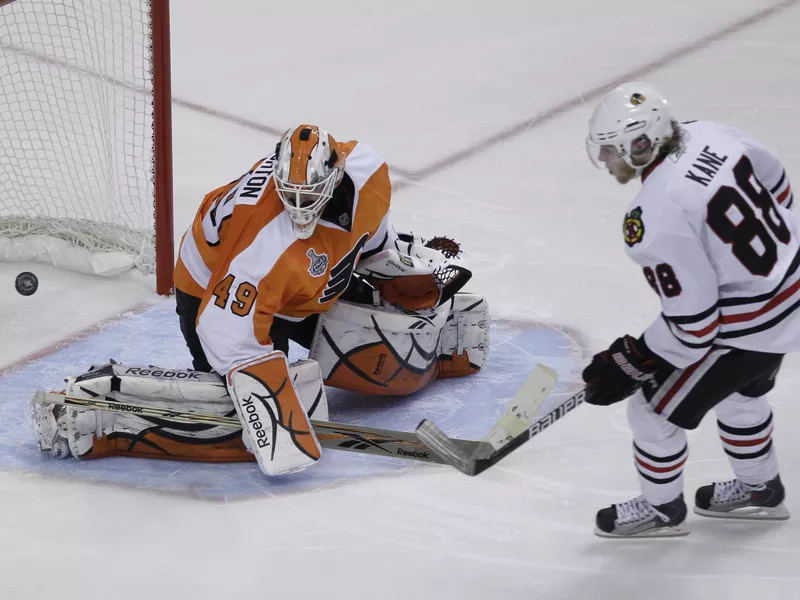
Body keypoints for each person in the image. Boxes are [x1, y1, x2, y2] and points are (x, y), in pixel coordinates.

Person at [31, 125, 490, 477]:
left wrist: (393, 271)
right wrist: (272, 403)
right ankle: (95, 410)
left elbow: (371, 234)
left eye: (308, 194)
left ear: (334, 174)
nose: (299, 206)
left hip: (299, 284)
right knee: (237, 423)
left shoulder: (368, 170)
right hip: (213, 289)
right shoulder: (264, 243)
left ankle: (445, 348)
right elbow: (222, 327)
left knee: (385, 357)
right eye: (289, 194)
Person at [583, 83, 795, 537]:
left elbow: (695, 325)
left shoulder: (654, 213)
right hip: (792, 286)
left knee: (650, 408)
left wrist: (635, 359)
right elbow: (775, 179)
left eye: (611, 150)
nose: (605, 161)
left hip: (757, 323)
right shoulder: (708, 134)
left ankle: (663, 513)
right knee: (741, 395)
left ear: (641, 144)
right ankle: (761, 491)